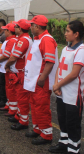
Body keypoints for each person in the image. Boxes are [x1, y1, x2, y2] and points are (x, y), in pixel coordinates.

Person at [49, 20, 84, 154]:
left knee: (73, 123)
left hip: (73, 94)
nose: (65, 33)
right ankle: (63, 143)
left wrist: (57, 85)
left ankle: (73, 148)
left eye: (68, 31)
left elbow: (74, 74)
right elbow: (59, 68)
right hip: (61, 91)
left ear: (76, 34)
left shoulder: (82, 51)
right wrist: (56, 85)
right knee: (62, 119)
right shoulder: (67, 49)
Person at [24, 15, 59, 145]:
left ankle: (46, 134)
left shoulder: (46, 40)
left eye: (32, 25)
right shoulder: (38, 39)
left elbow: (50, 62)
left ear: (37, 26)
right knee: (35, 105)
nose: (30, 27)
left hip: (41, 81)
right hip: (34, 80)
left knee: (42, 106)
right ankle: (38, 129)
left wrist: (42, 78)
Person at [4, 19, 32, 130]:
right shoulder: (23, 39)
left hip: (21, 72)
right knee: (19, 97)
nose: (14, 28)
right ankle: (19, 116)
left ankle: (23, 121)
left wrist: (7, 65)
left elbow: (14, 57)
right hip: (19, 72)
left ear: (20, 29)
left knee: (22, 98)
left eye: (16, 26)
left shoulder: (23, 40)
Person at [0, 23, 18, 116]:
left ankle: (12, 108)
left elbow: (6, 55)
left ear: (9, 31)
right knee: (7, 88)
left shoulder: (12, 40)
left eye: (6, 30)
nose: (4, 31)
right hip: (5, 67)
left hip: (7, 68)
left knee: (10, 88)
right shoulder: (9, 40)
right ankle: (9, 104)